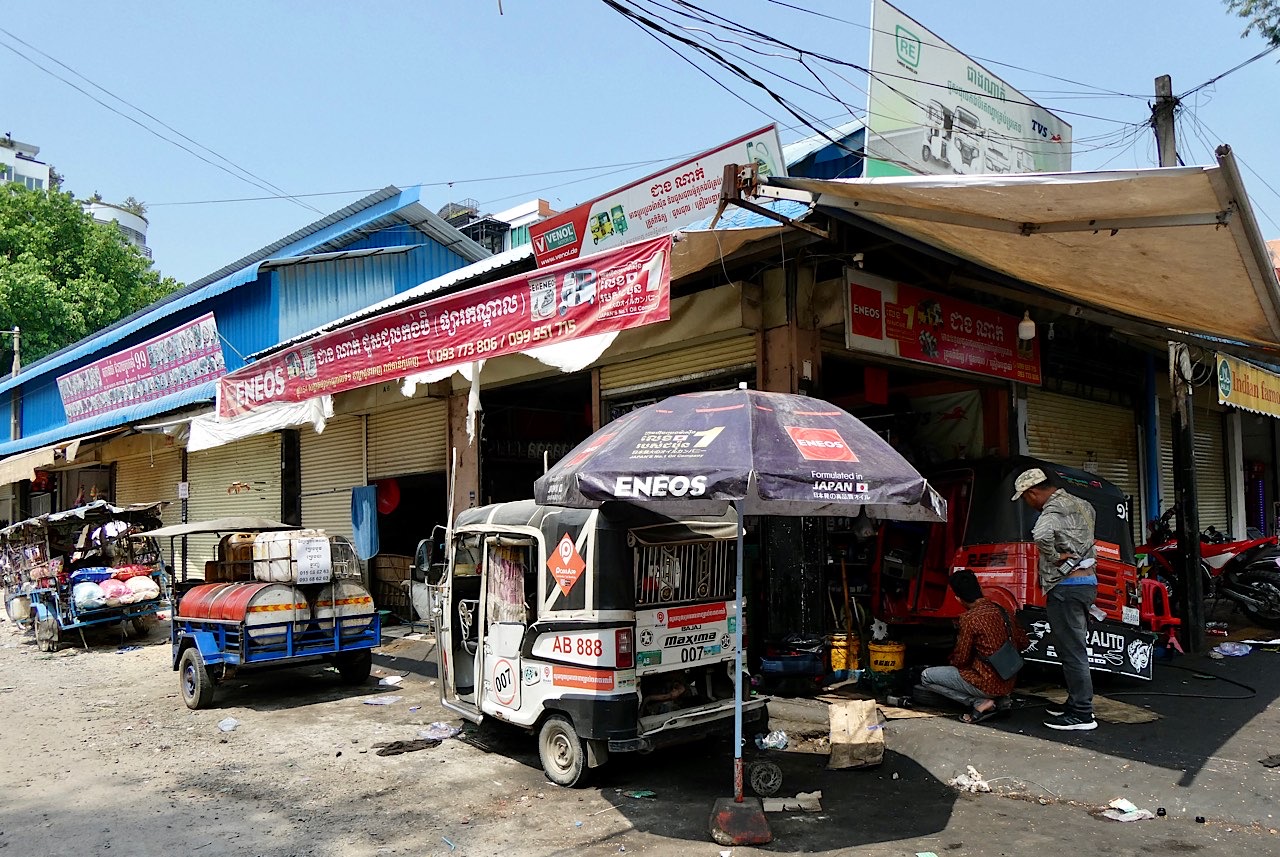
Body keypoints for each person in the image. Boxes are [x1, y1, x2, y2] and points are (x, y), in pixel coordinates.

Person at [1012, 467, 1099, 731]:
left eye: (1026, 498)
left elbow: (1040, 535)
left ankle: (1082, 714)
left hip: (1066, 586)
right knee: (1073, 648)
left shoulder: (1052, 510)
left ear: (1033, 492)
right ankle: (1075, 704)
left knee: (1072, 652)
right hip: (1086, 582)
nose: (1029, 504)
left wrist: (1053, 556)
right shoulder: (1082, 504)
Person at [917, 569, 1029, 723]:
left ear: (958, 599)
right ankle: (1001, 700)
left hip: (986, 684)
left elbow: (961, 659)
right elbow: (1024, 643)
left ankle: (978, 703)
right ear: (980, 590)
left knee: (926, 676)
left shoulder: (970, 619)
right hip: (1008, 680)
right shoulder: (1004, 612)